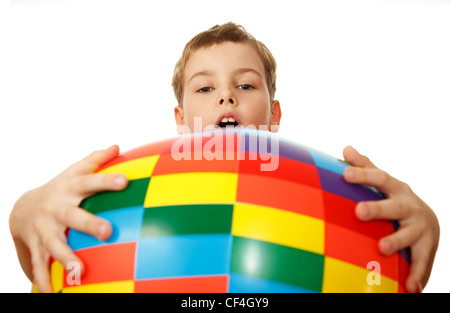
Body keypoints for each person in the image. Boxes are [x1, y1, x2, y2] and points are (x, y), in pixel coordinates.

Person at [9, 22, 439, 293]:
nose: (226, 96)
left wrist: (425, 223)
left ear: (274, 116)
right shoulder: (143, 186)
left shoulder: (317, 192)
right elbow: (44, 260)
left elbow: (389, 273)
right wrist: (25, 210)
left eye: (246, 86)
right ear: (180, 119)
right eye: (204, 88)